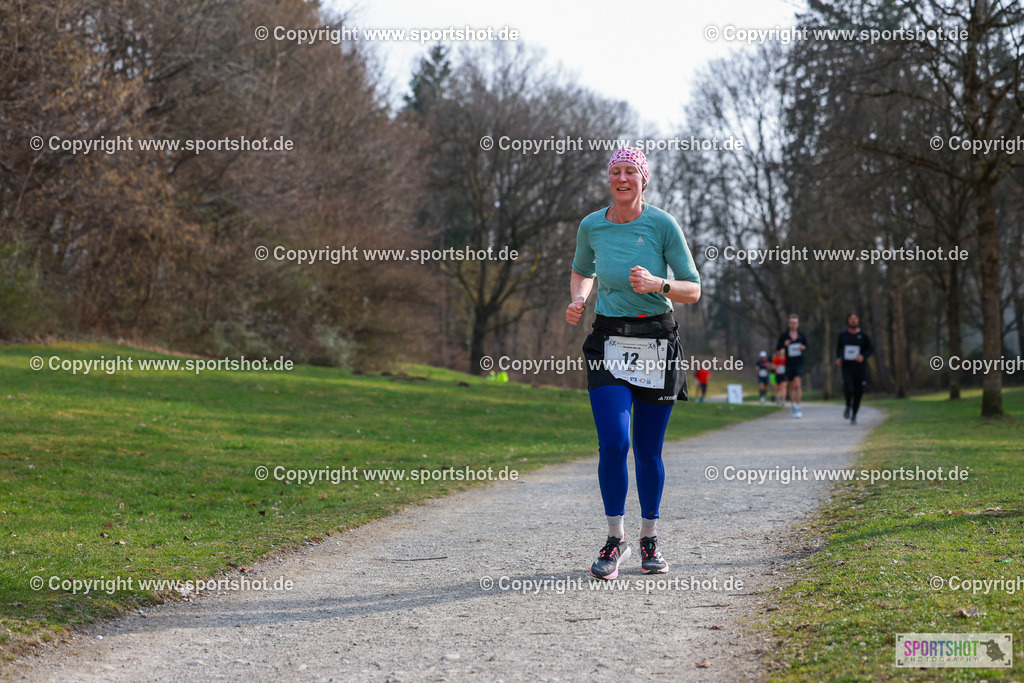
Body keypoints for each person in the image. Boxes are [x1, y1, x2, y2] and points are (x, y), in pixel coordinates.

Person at [566, 147, 700, 580]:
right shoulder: (592, 226)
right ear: (610, 179)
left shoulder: (662, 224)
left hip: (657, 341)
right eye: (616, 172)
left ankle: (649, 538)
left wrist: (659, 283)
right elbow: (582, 270)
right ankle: (615, 538)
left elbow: (693, 288)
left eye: (630, 172)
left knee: (647, 449)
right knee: (612, 442)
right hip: (608, 341)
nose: (622, 178)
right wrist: (579, 298)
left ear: (644, 180)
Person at [835, 313, 873, 425]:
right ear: (847, 321)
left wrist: (863, 356)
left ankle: (854, 415)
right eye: (851, 319)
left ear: (858, 320)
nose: (853, 321)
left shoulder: (863, 336)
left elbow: (870, 349)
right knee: (848, 386)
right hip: (847, 367)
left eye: (855, 318)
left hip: (860, 368)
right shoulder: (843, 335)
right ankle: (848, 404)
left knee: (858, 392)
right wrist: (838, 358)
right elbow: (839, 349)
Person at [776, 314, 808, 418]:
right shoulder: (784, 336)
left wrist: (803, 347)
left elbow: (807, 346)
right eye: (792, 322)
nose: (793, 324)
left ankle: (798, 406)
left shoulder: (801, 336)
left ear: (798, 324)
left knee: (797, 384)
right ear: (789, 324)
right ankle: (793, 405)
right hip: (789, 363)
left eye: (795, 322)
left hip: (799, 363)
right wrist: (784, 345)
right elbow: (778, 348)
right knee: (791, 385)